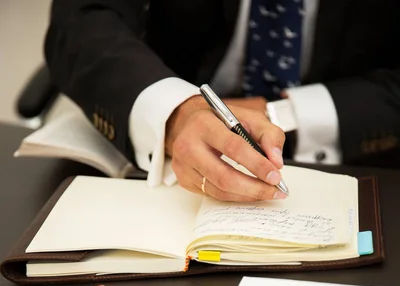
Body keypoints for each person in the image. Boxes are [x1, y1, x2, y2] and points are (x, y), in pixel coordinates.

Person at [45, 0, 400, 203]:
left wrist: (284, 114)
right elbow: (82, 19)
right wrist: (175, 112)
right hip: (162, 157)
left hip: (365, 160)